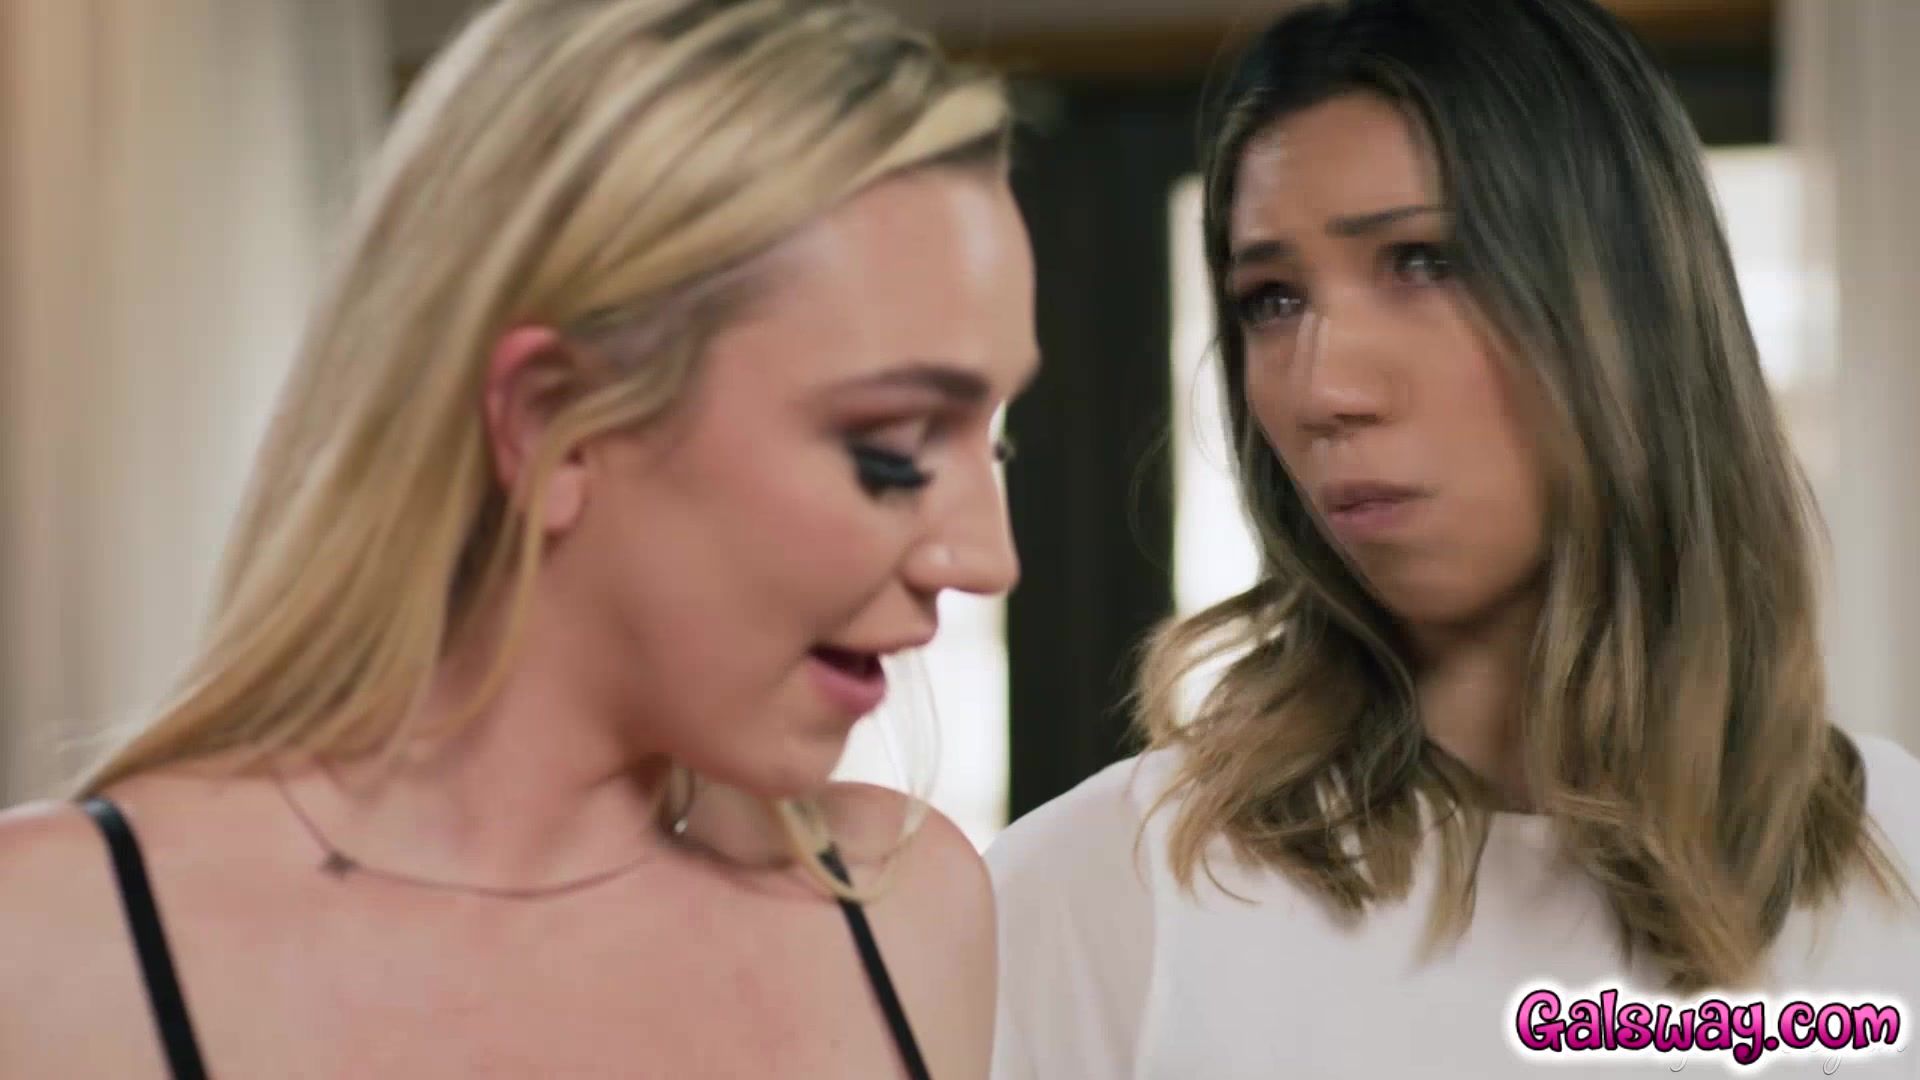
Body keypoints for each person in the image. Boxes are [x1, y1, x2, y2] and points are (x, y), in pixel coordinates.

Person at [0, 0, 1037, 1076]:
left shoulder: (902, 918)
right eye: (891, 446)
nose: (985, 557)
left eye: (992, 444)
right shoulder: (52, 953)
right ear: (549, 421)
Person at [988, 1, 1919, 1077]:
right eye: (1272, 299)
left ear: (1630, 307)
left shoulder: (1897, 861)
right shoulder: (1108, 894)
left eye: (1423, 261)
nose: (1324, 389)